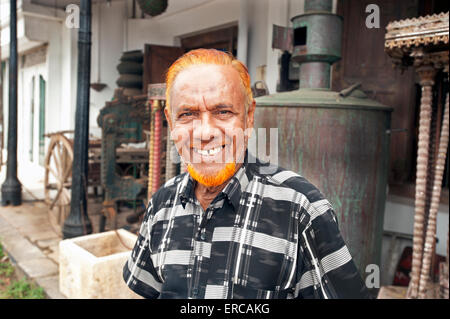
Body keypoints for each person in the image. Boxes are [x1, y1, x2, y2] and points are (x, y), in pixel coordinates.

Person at [123, 48, 371, 299]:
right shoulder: (161, 204)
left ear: (249, 117)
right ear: (170, 121)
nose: (205, 133)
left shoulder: (300, 208)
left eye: (223, 112)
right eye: (187, 114)